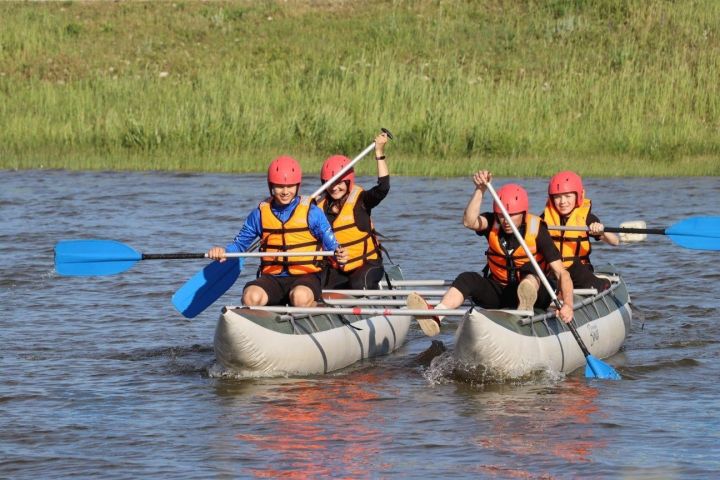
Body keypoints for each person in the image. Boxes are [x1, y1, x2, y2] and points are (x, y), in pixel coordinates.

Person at [407, 171, 575, 336]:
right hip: (500, 291)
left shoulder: (537, 230)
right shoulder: (492, 222)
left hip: (537, 293)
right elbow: (469, 221)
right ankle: (437, 315)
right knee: (467, 278)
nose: (506, 220)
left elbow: (562, 272)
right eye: (502, 216)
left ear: (523, 213)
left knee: (529, 268)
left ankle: (525, 304)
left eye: (512, 215)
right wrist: (480, 189)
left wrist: (567, 304)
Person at [207, 156, 347, 307]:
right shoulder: (260, 214)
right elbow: (239, 246)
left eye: (290, 186)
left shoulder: (312, 213)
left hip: (306, 276)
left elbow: (332, 246)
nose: (285, 191)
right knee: (250, 297)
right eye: (280, 186)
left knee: (299, 297)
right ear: (271, 186)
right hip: (273, 277)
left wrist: (340, 255)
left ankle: (316, 307)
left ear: (297, 186)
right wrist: (223, 252)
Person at [317, 132, 390, 290]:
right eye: (330, 183)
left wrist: (379, 152)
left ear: (348, 181)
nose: (334, 188)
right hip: (338, 267)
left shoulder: (361, 200)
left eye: (339, 183)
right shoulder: (319, 207)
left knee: (358, 284)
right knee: (314, 285)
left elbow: (383, 188)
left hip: (367, 263)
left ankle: (371, 300)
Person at [542, 170, 619, 291]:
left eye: (568, 196)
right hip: (555, 270)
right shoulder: (544, 219)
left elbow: (615, 242)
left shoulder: (587, 219)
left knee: (573, 265)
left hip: (580, 270)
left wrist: (601, 231)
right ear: (551, 198)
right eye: (557, 197)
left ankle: (603, 283)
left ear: (578, 196)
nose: (563, 202)